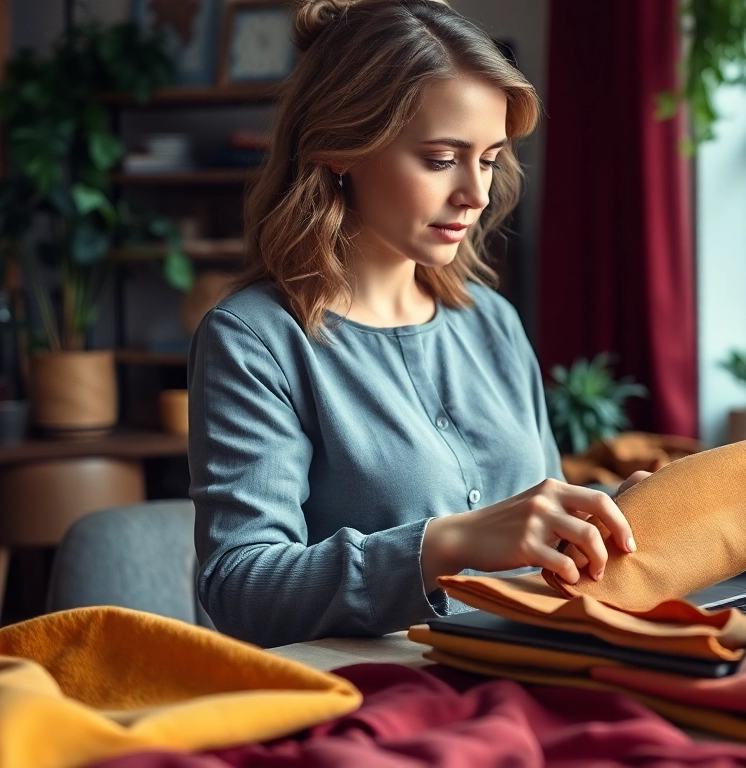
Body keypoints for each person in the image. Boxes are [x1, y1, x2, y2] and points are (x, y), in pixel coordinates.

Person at [188, 0, 641, 648]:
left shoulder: (493, 322)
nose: (476, 194)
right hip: (371, 699)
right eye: (440, 158)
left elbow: (540, 523)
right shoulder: (256, 340)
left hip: (529, 667)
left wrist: (612, 509)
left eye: (487, 159)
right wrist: (445, 544)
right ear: (342, 148)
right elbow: (241, 586)